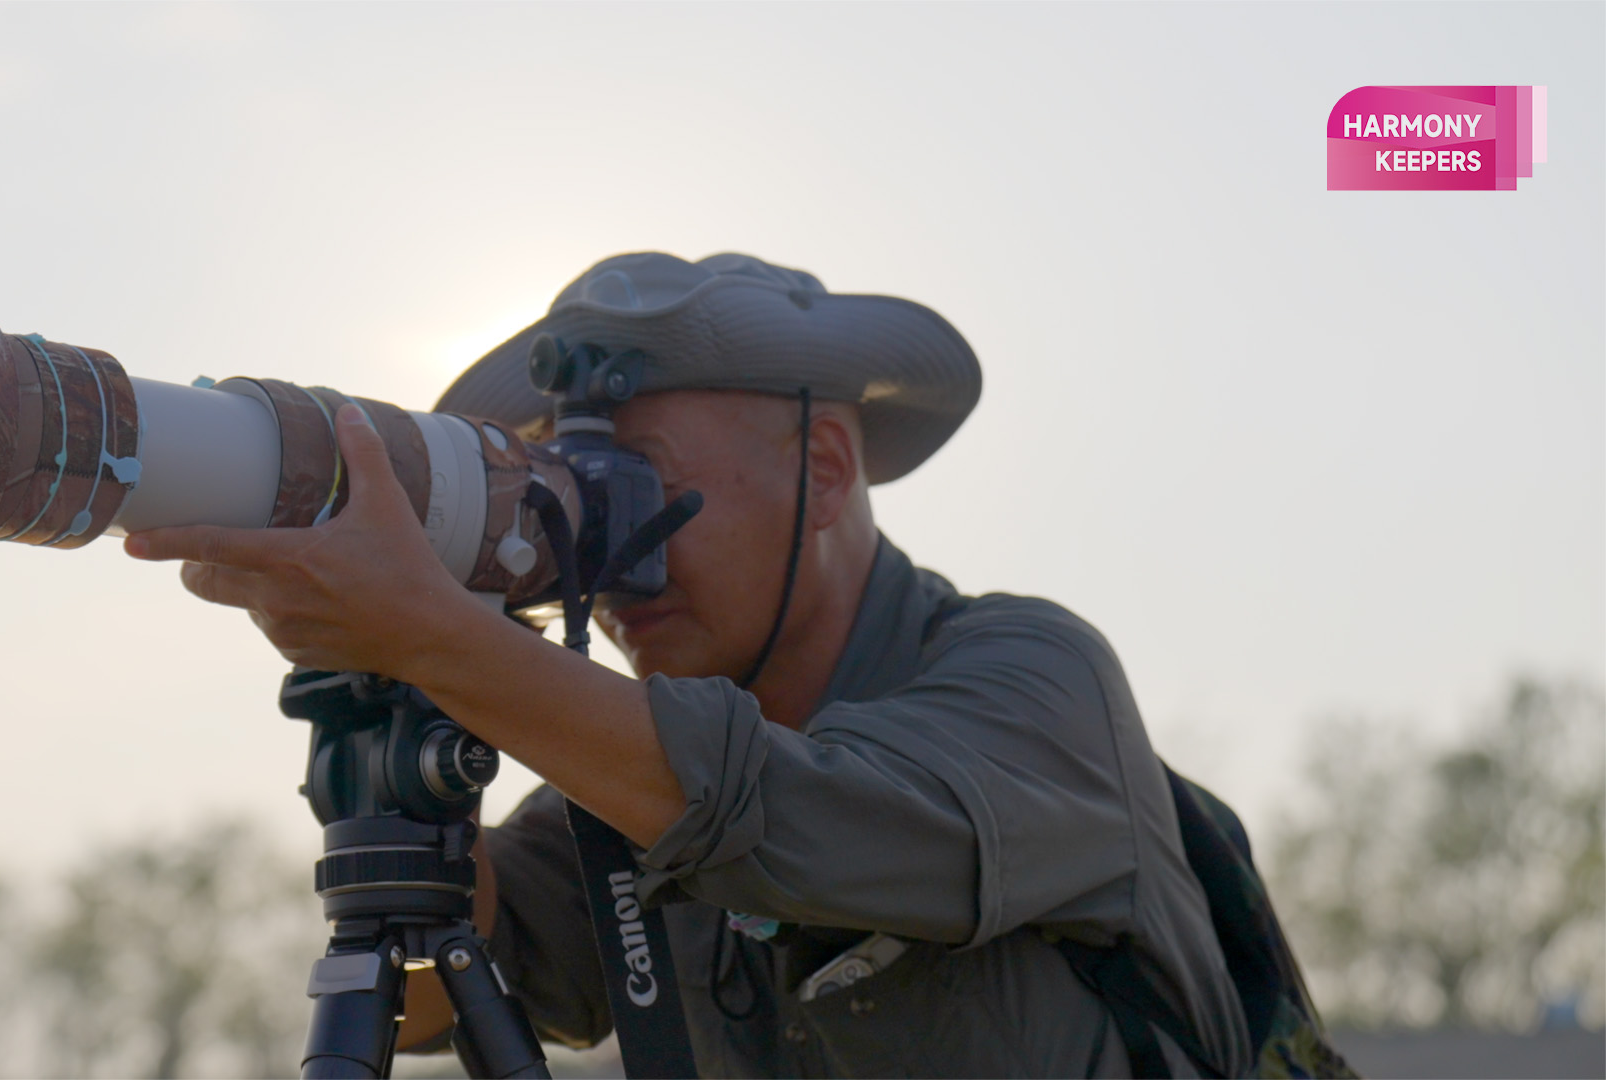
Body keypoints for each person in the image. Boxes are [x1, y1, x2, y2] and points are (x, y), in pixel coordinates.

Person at [124, 252, 1253, 1077]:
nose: (608, 567)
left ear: (821, 466)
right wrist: (394, 723)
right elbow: (437, 1004)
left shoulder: (1032, 680)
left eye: (633, 490)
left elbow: (789, 815)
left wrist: (433, 636)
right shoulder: (624, 783)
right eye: (570, 503)